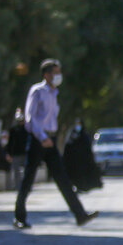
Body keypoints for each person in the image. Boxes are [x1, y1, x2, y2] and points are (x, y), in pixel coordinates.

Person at [13, 59, 99, 229]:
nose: (59, 76)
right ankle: (19, 217)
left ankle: (80, 214)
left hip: (50, 140)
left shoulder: (54, 93)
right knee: (28, 180)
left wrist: (51, 139)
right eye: (56, 72)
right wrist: (41, 137)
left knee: (63, 179)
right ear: (46, 75)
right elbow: (30, 119)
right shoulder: (37, 91)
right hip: (39, 140)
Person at [63, 119, 103, 193]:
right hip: (74, 161)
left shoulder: (84, 136)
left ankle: (83, 187)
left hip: (83, 161)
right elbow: (67, 148)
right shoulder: (71, 136)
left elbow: (88, 149)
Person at [6, 109, 30, 190]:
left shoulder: (28, 130)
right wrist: (8, 153)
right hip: (16, 153)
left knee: (27, 171)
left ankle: (26, 186)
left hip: (26, 153)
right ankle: (18, 186)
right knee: (16, 171)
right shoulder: (13, 130)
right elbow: (10, 142)